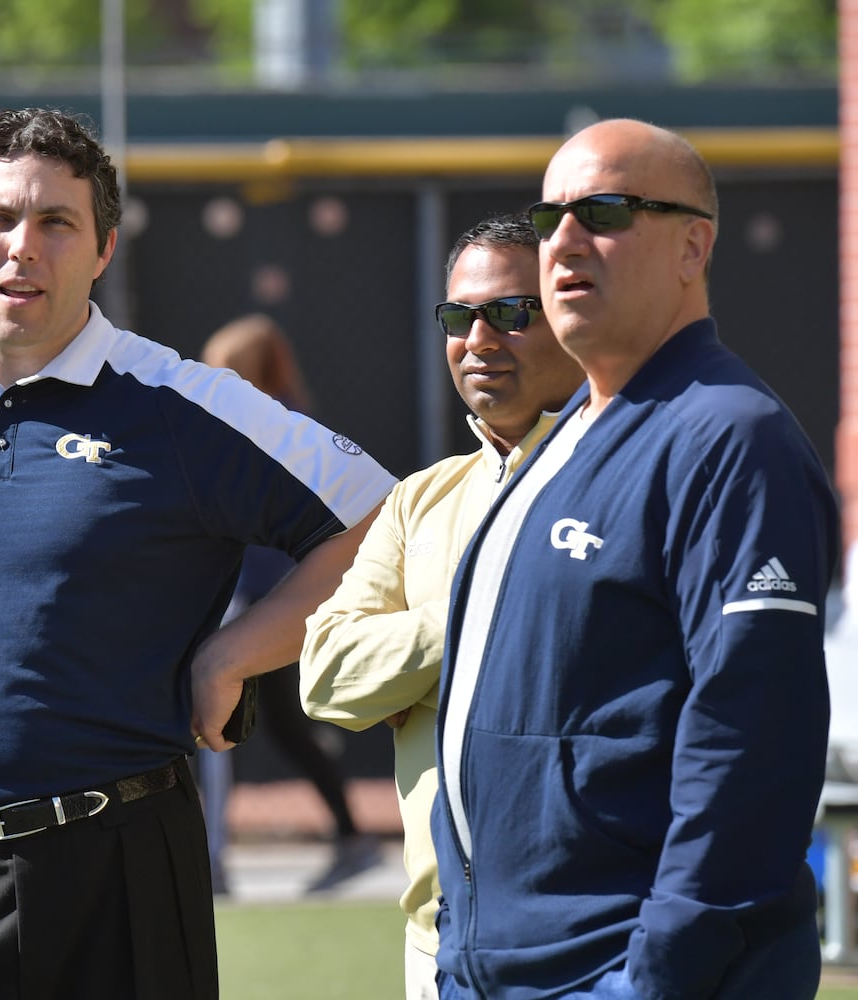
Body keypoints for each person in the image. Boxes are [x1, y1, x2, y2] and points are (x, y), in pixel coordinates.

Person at [0, 107, 396, 1000]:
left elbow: (382, 523)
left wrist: (234, 653)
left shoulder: (185, 404)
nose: (23, 246)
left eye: (57, 222)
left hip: (120, 866)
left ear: (102, 248)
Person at [432, 118, 838, 999]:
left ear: (693, 246)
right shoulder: (566, 434)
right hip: (502, 964)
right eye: (549, 219)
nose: (564, 240)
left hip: (620, 971)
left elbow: (750, 743)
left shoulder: (731, 437)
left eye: (605, 211)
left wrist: (657, 973)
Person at [300, 212, 585, 997]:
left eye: (510, 313)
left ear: (568, 315)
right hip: (437, 942)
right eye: (459, 317)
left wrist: (416, 670)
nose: (479, 339)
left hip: (590, 939)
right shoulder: (422, 499)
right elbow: (325, 677)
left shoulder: (630, 473)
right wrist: (469, 623)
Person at [197, 313, 380, 896]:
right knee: (283, 725)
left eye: (226, 367)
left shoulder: (263, 426)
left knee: (214, 731)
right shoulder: (281, 422)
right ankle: (352, 837)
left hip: (260, 603)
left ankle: (213, 860)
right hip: (270, 603)